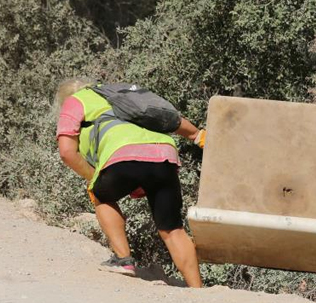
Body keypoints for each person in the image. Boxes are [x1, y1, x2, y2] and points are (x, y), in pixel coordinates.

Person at [54, 78, 205, 288]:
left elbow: (66, 152)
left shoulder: (75, 101)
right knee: (172, 229)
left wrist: (93, 177)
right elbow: (162, 116)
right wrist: (197, 135)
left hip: (123, 152)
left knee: (100, 194)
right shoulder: (118, 95)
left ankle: (123, 260)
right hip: (164, 154)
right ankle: (197, 289)